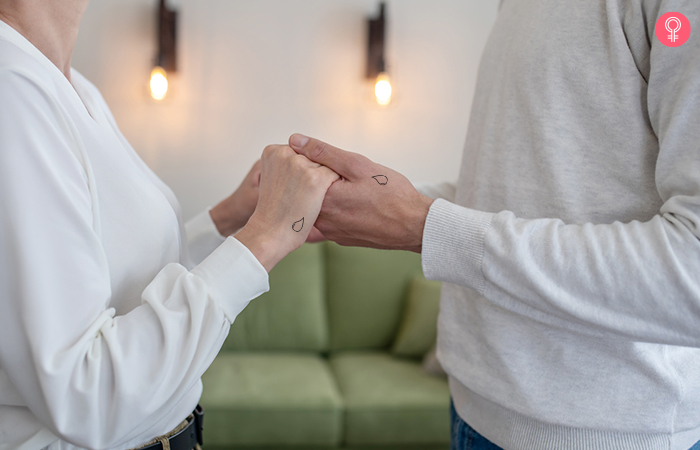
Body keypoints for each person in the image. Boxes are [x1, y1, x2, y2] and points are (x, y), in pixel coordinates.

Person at [284, 1, 700, 449]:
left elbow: (690, 273)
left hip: (602, 432)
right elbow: (517, 193)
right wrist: (363, 205)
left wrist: (422, 225)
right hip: (473, 406)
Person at [0, 1, 338, 449]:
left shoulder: (72, 86)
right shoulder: (12, 93)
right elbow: (85, 395)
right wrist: (266, 237)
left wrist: (230, 219)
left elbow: (121, 280)